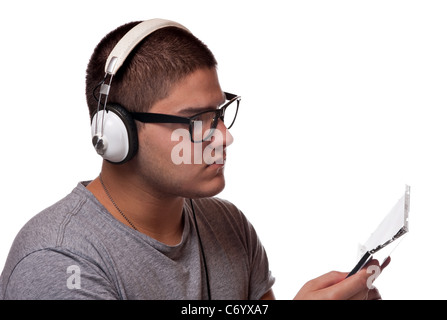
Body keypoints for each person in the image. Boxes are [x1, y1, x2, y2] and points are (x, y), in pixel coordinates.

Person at [0, 19, 386, 300]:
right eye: (195, 120)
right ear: (117, 134)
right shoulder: (59, 262)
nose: (224, 136)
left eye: (219, 112)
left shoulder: (228, 226)